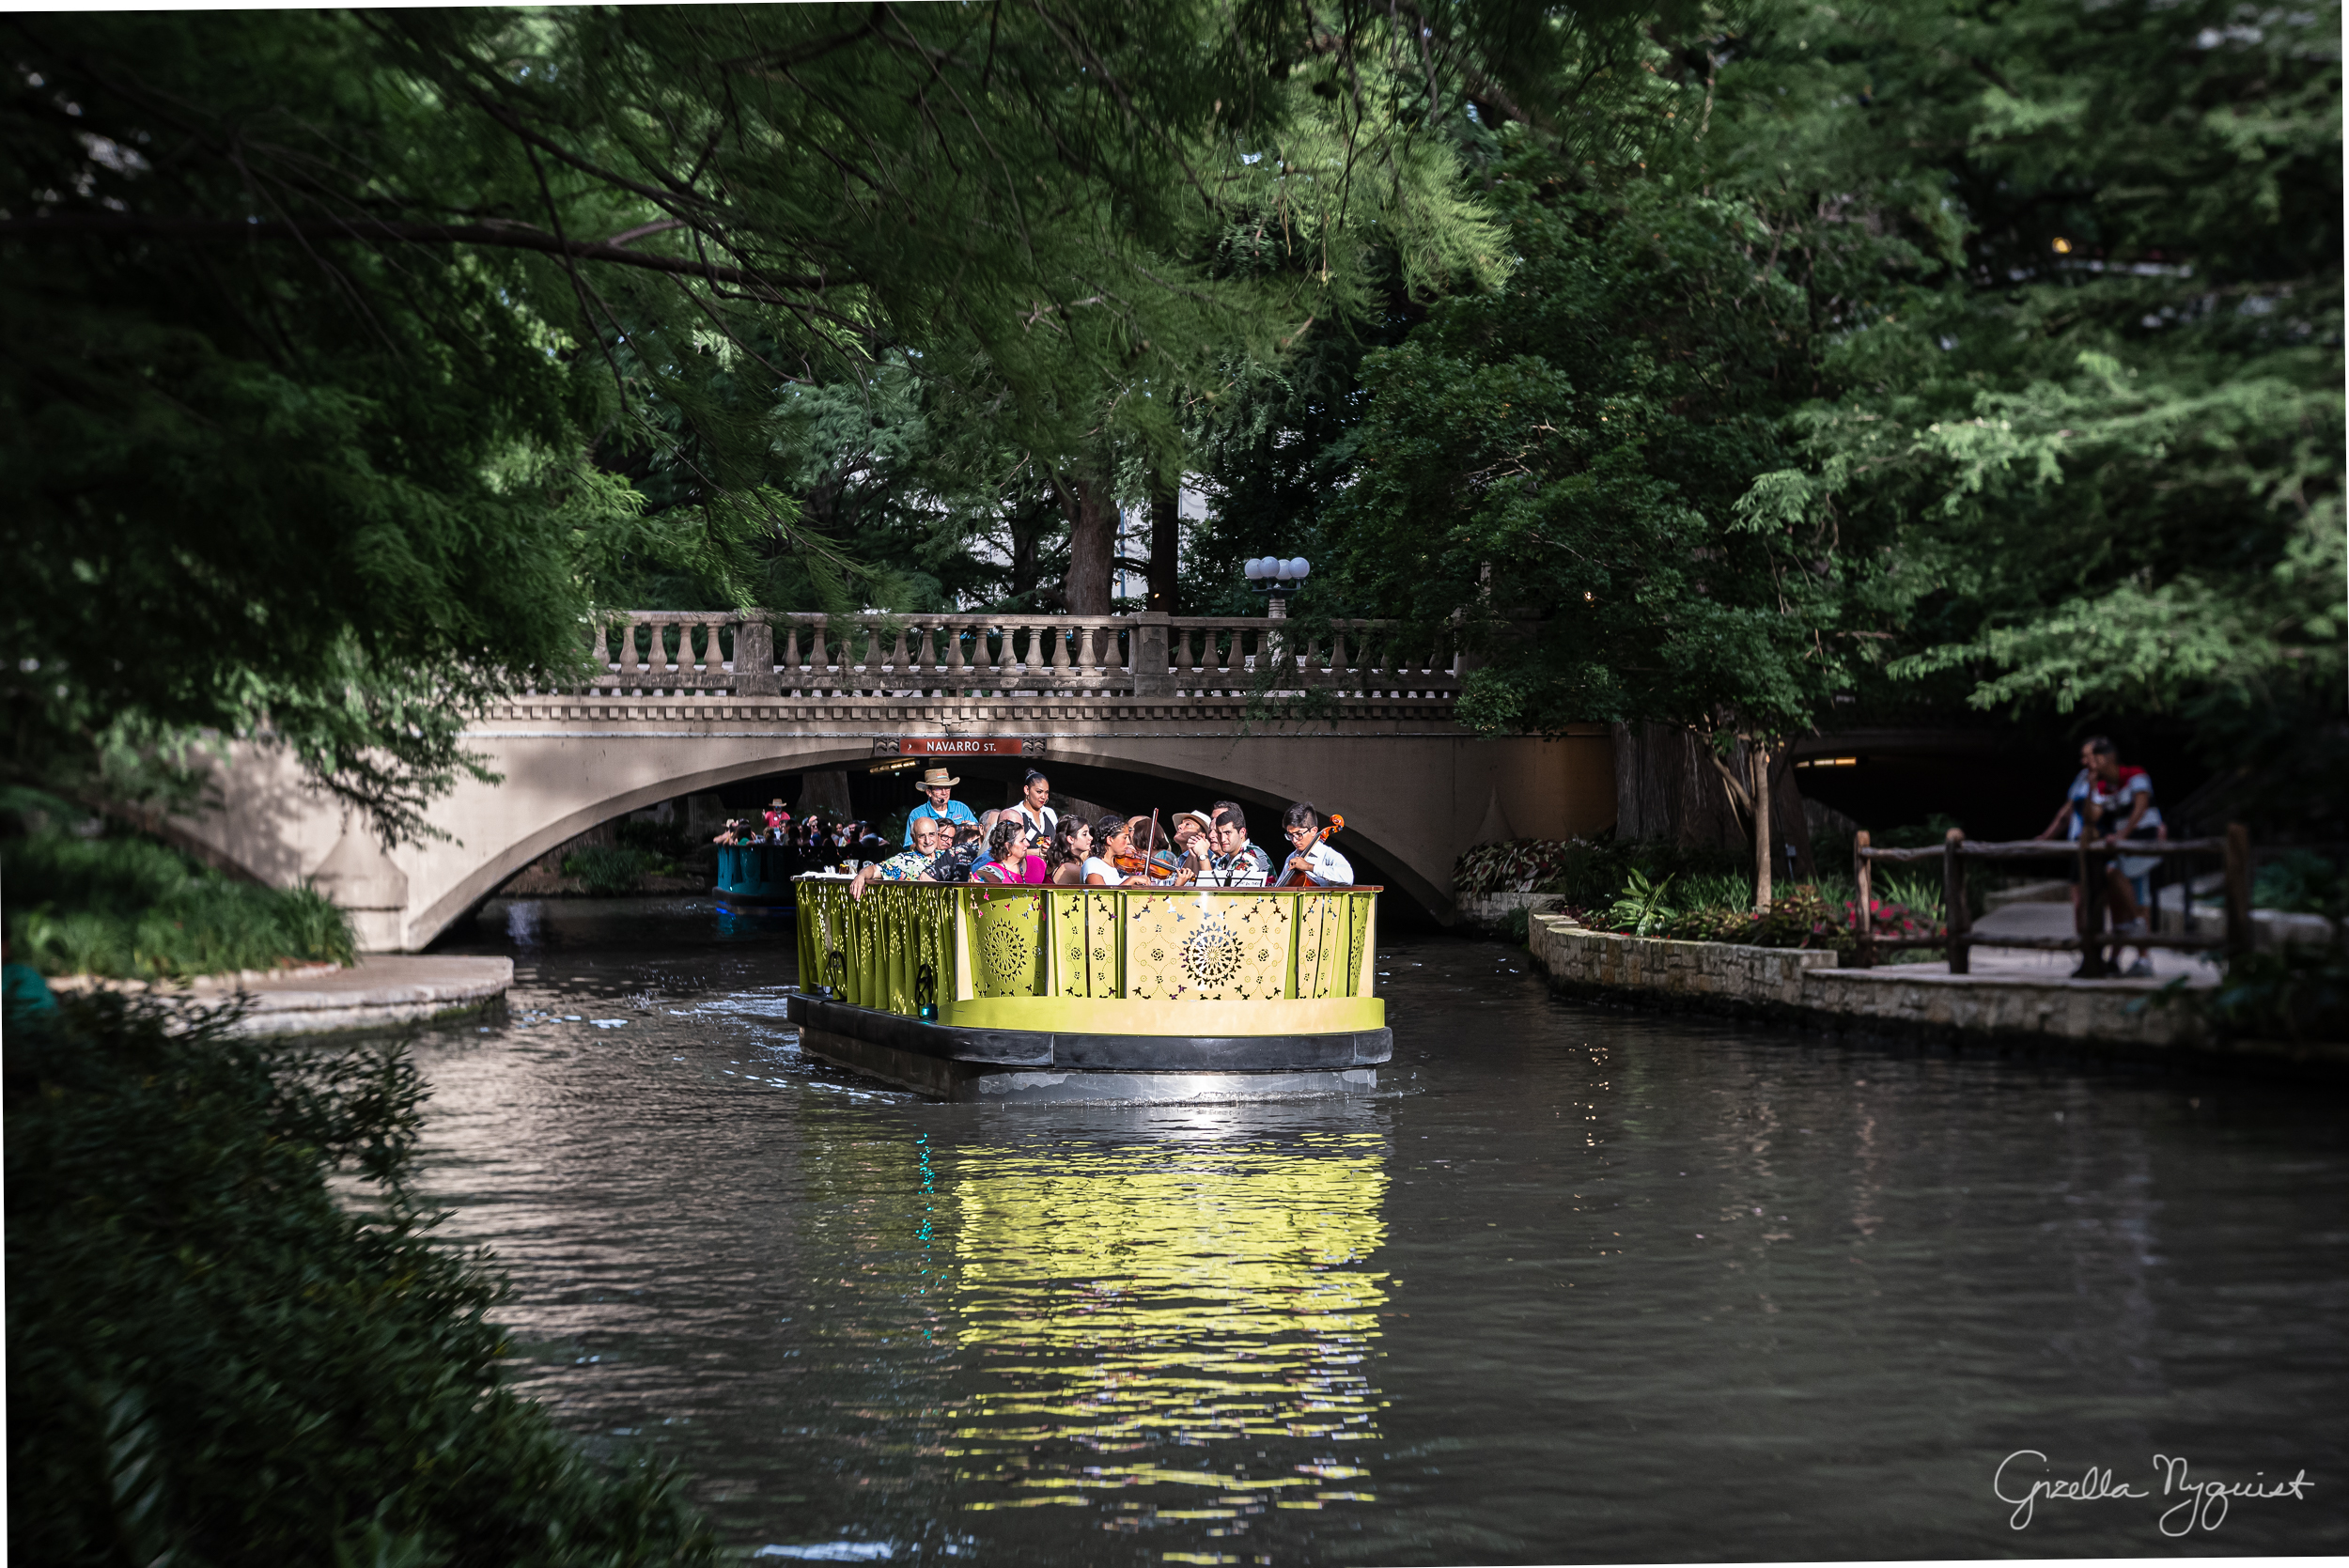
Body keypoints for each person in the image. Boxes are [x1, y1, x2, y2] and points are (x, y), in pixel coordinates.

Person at [2034, 736, 2159, 975]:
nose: (2086, 762)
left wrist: (2123, 834)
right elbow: (2091, 816)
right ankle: (2110, 956)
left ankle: (2143, 956)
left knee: (2137, 900)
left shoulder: (2135, 776)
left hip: (2139, 843)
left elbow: (2141, 806)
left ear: (2103, 758)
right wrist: (2092, 788)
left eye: (2091, 757)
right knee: (2114, 897)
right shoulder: (2100, 785)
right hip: (2114, 847)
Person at [849, 816, 950, 900]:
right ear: (913, 838)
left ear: (937, 835)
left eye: (931, 834)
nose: (927, 841)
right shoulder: (902, 860)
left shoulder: (949, 855)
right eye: (921, 836)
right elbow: (874, 869)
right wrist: (861, 876)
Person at [1276, 801, 1353, 887]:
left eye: (1299, 834)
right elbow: (1279, 889)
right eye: (1290, 835)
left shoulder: (1327, 854)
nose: (1294, 840)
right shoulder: (1291, 858)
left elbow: (1348, 877)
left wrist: (1309, 867)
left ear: (1314, 831)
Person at [905, 767, 979, 845]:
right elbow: (910, 845)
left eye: (947, 788)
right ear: (929, 792)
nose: (944, 792)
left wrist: (971, 828)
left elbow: (979, 832)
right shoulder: (917, 814)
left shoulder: (961, 808)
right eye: (938, 789)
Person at [1205, 805, 1272, 887]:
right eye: (1219, 833)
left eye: (1228, 833)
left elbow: (1212, 890)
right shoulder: (1226, 858)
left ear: (1242, 832)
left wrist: (1202, 856)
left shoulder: (1249, 858)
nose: (1222, 839)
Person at [971, 819, 1049, 885]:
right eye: (1022, 841)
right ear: (1007, 846)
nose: (1027, 844)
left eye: (1025, 839)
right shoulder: (989, 872)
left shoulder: (1038, 863)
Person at [1007, 769, 1057, 842]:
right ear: (1027, 790)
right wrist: (1038, 852)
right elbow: (1009, 847)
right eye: (1039, 792)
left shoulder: (1050, 813)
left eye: (1046, 792)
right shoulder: (1015, 813)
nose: (1043, 796)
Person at [1046, 815, 1094, 886]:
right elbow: (1101, 882)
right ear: (1071, 839)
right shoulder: (1068, 869)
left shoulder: (1063, 862)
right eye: (1084, 834)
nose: (1091, 838)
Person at [1084, 814, 1130, 885]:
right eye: (1125, 837)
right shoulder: (1093, 864)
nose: (1128, 842)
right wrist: (1131, 880)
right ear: (1110, 840)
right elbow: (1103, 895)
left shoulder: (1121, 866)